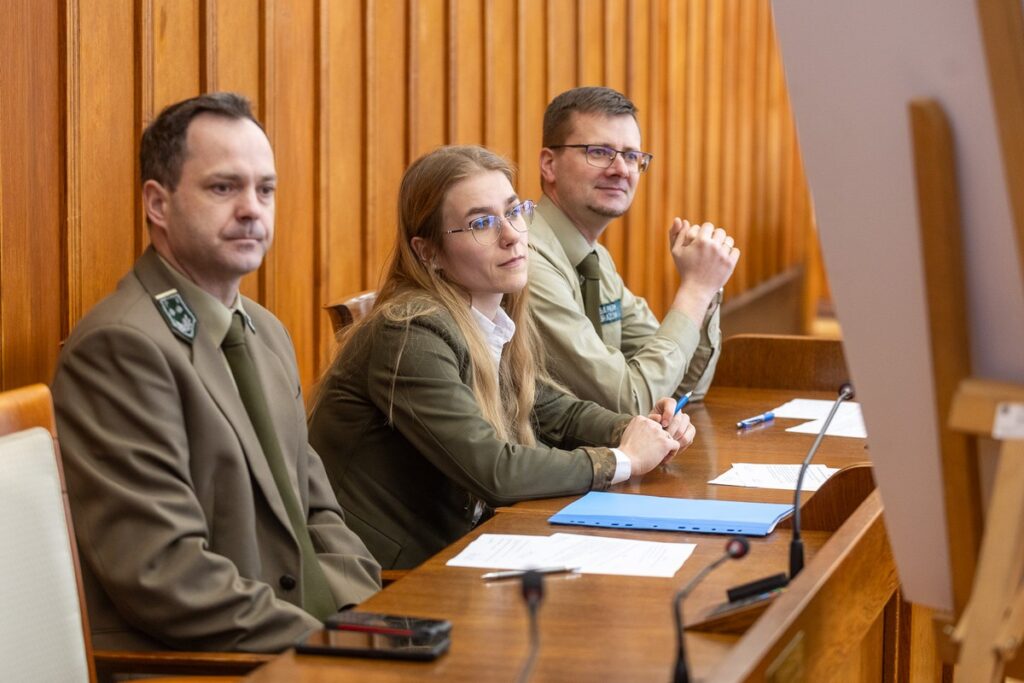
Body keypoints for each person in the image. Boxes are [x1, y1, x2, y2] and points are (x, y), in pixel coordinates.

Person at [51, 92, 380, 653]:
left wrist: (362, 620)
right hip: (211, 661)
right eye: (224, 188)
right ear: (158, 203)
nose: (252, 208)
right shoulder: (121, 348)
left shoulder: (265, 329)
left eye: (265, 189)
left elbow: (319, 510)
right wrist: (325, 644)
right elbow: (165, 574)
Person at [308, 145, 694, 570]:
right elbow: (494, 471)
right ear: (427, 252)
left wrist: (640, 429)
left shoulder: (491, 316)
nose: (511, 234)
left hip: (470, 548)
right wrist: (622, 459)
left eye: (514, 212)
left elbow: (556, 413)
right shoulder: (409, 330)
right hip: (392, 581)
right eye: (481, 223)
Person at [529, 86, 741, 414]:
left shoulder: (594, 260)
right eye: (598, 151)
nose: (621, 169)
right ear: (549, 164)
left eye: (631, 156)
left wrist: (706, 288)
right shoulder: (526, 260)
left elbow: (686, 387)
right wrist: (696, 290)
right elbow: (631, 401)